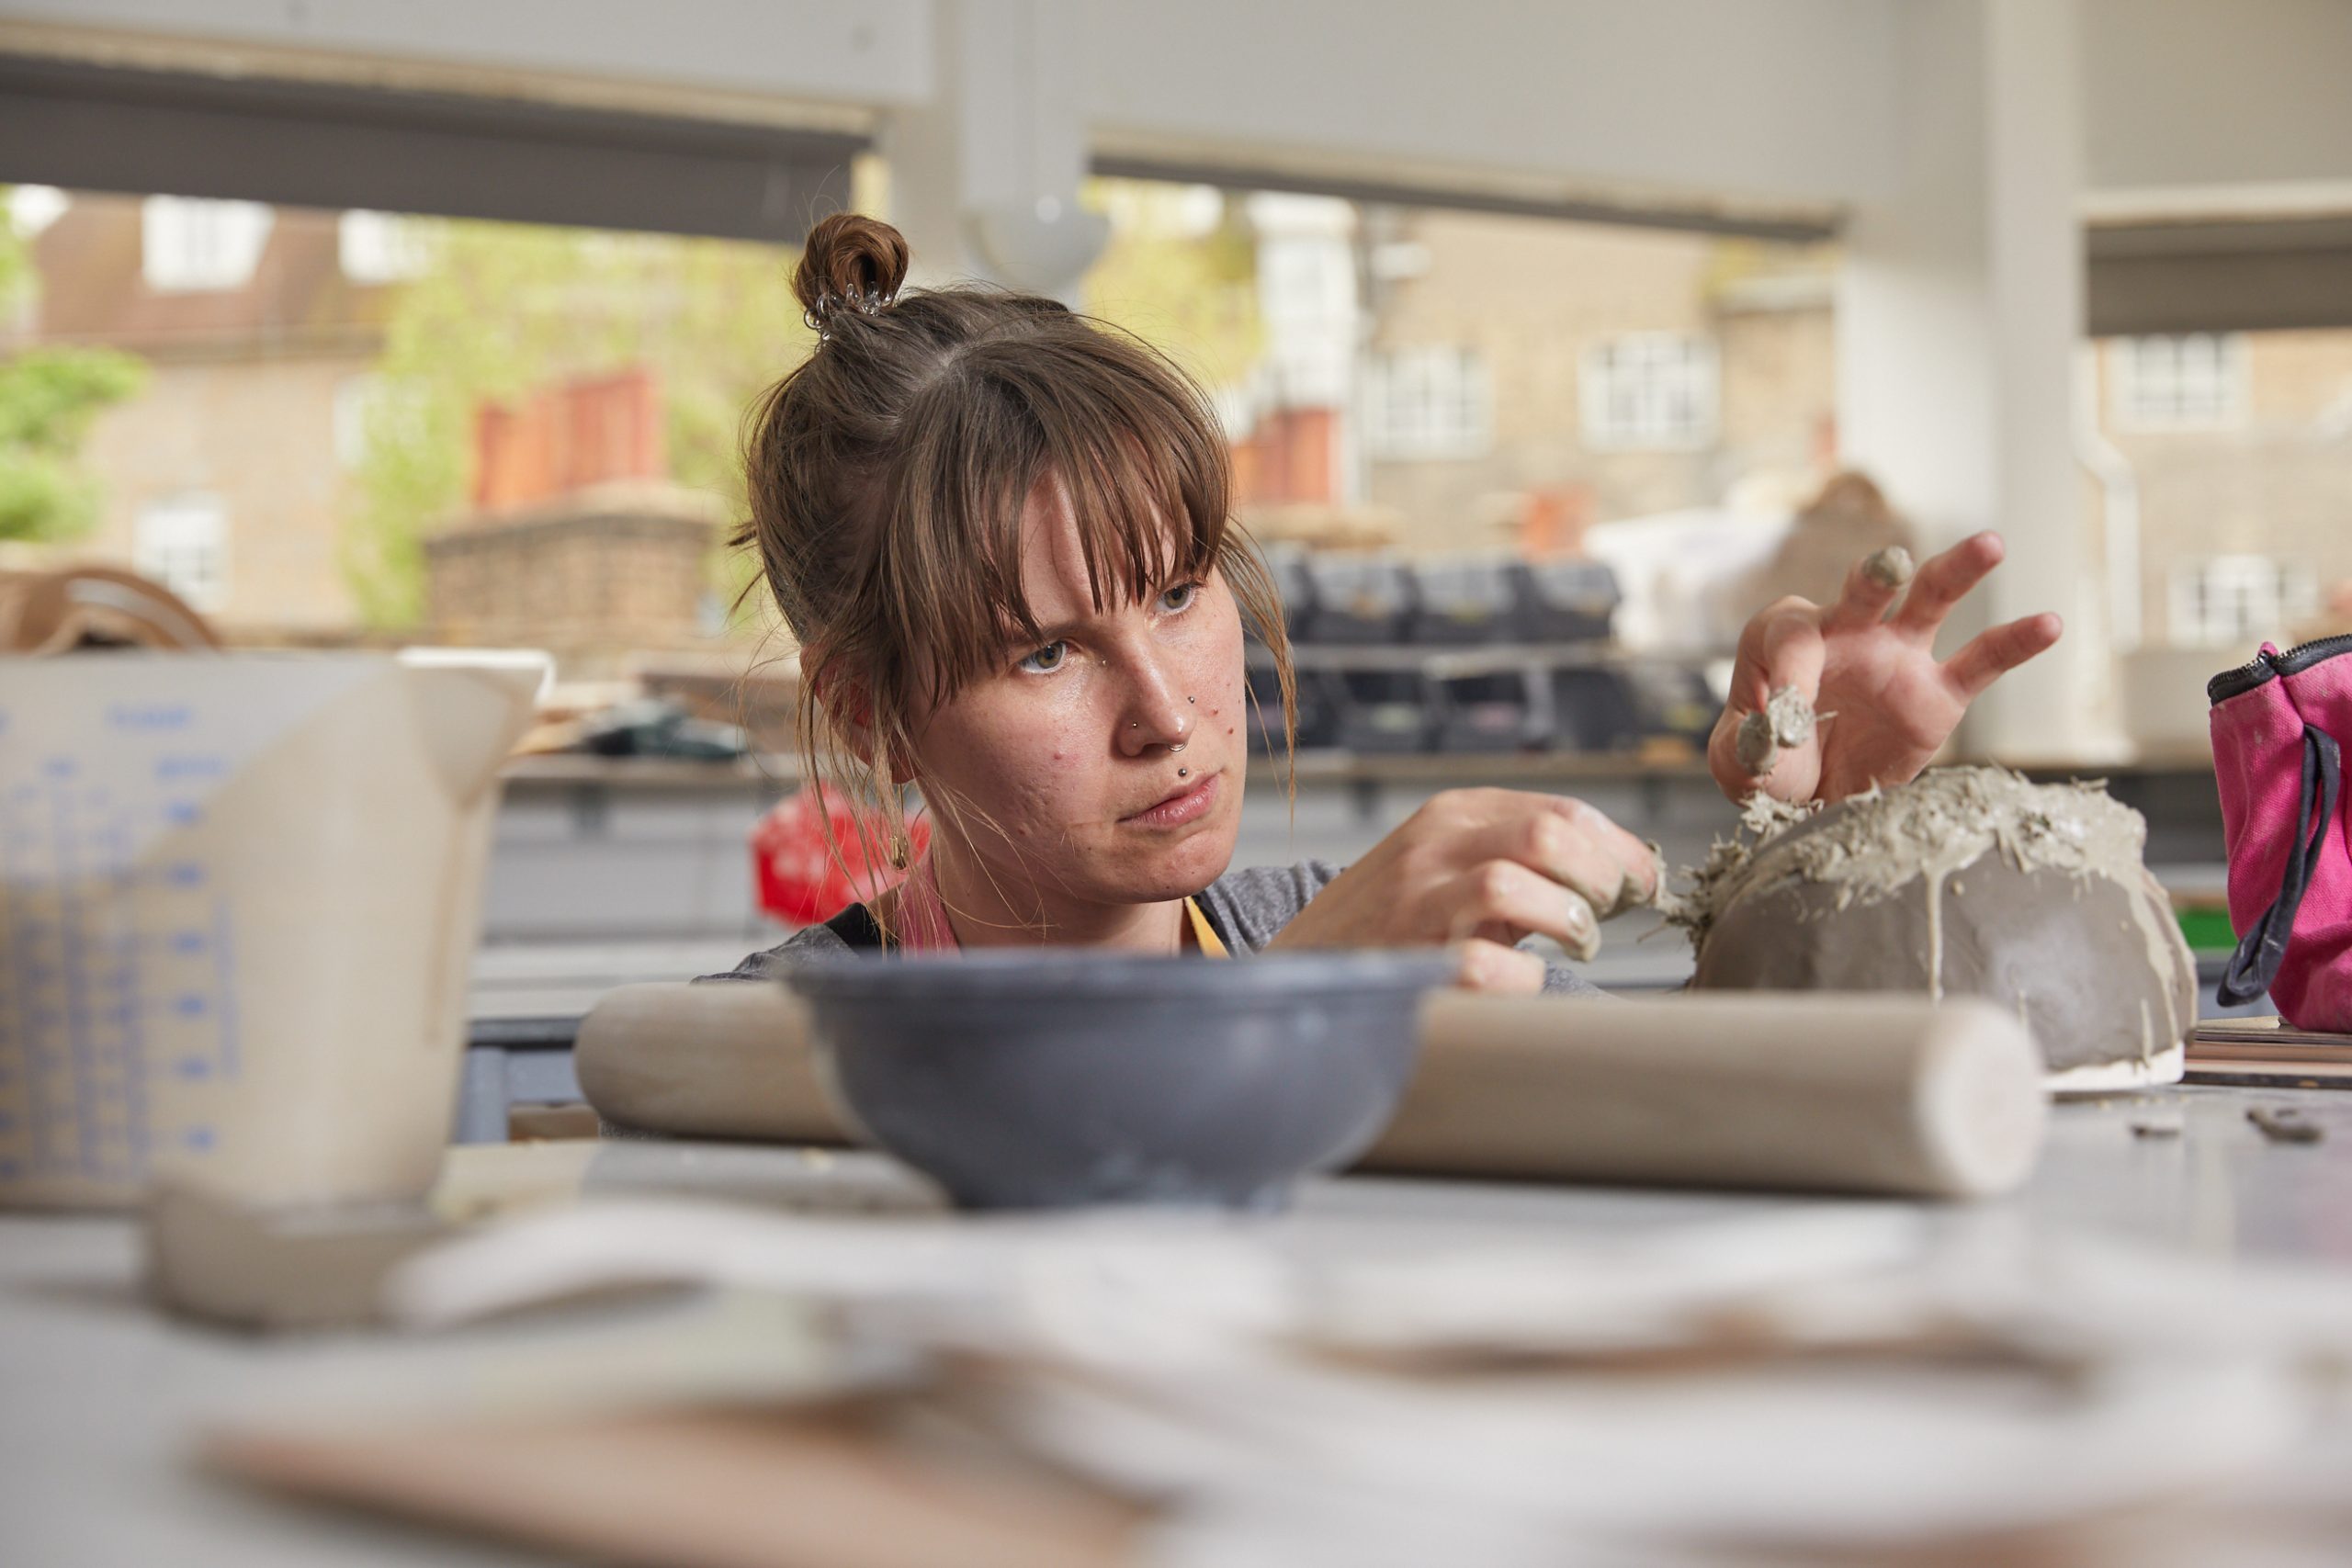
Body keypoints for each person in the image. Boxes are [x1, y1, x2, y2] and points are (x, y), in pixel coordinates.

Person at [720, 213, 2061, 994]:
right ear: (873, 711)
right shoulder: (768, 1052)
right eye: (1047, 651)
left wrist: (1828, 864)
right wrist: (1287, 1005)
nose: (1170, 710)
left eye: (1181, 591)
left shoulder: (1365, 929)